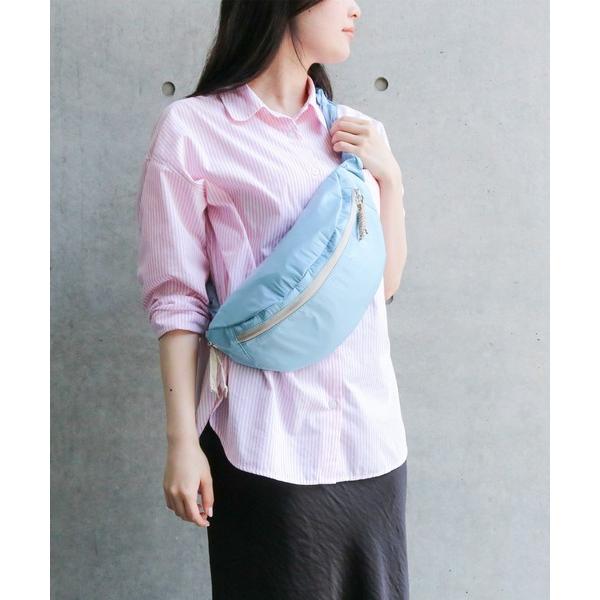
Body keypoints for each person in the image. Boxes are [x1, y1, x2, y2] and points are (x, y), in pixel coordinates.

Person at [136, 1, 409, 598]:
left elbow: (381, 289)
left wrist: (389, 179)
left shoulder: (355, 130)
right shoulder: (193, 129)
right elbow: (177, 300)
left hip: (372, 441)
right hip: (267, 444)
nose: (356, 9)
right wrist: (182, 443)